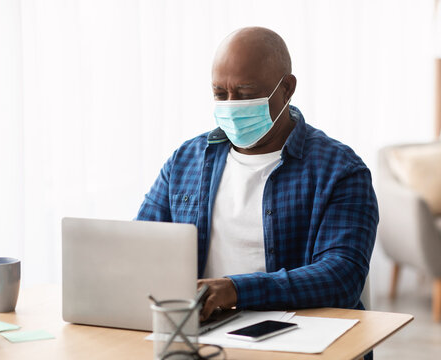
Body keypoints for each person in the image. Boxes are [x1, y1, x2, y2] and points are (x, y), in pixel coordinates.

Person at [137, 26, 378, 324]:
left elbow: (342, 277)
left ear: (286, 89)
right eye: (219, 93)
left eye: (245, 93)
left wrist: (237, 290)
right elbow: (140, 248)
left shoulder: (340, 170)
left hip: (302, 334)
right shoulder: (186, 161)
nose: (230, 105)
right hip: (205, 331)